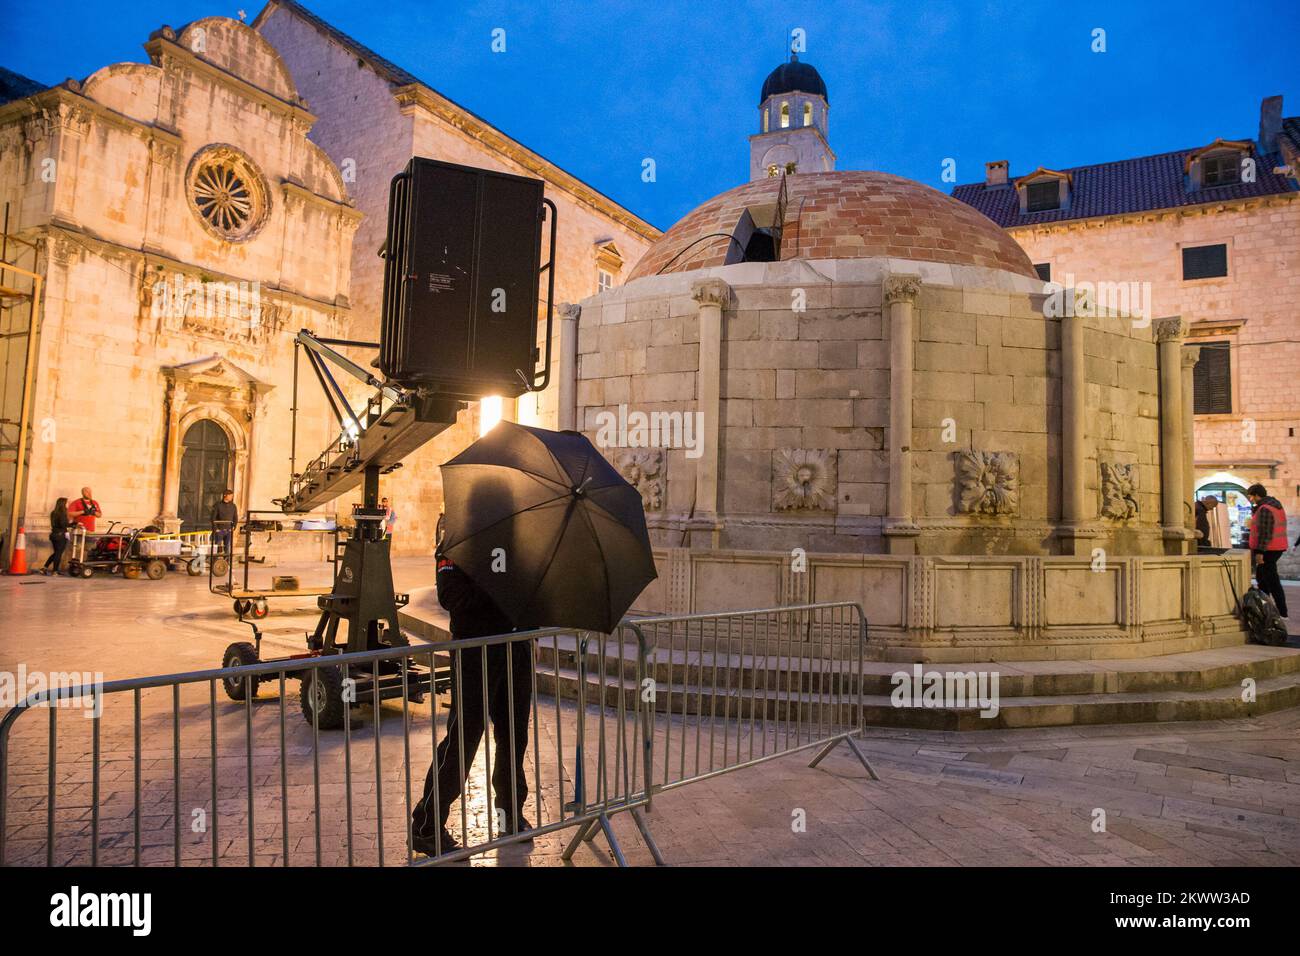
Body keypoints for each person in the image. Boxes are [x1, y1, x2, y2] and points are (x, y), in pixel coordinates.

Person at [411, 548, 534, 857]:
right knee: (464, 737)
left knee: (514, 734)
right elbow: (452, 597)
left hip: (515, 649)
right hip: (474, 651)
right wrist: (499, 586)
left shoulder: (519, 541)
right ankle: (427, 825)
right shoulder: (456, 545)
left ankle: (510, 812)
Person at [1246, 483, 1289, 618]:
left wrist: (1260, 552)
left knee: (1272, 581)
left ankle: (1282, 613)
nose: (1250, 499)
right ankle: (1267, 611)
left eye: (1251, 496)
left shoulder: (1265, 508)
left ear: (1257, 495)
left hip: (1268, 550)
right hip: (1275, 547)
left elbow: (1265, 532)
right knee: (1262, 580)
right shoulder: (1275, 505)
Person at [43, 497, 72, 575]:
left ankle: (44, 568)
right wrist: (74, 524)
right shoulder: (62, 513)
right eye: (67, 502)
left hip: (54, 535)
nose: (69, 504)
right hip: (61, 535)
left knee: (56, 553)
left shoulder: (53, 512)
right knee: (58, 553)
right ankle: (55, 571)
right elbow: (63, 524)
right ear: (63, 504)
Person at [211, 489, 238, 555]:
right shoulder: (218, 505)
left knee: (227, 547)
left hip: (229, 529)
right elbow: (213, 518)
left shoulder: (233, 506)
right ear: (225, 495)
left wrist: (234, 526)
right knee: (218, 547)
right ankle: (216, 561)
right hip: (219, 529)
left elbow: (235, 517)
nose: (231, 497)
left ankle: (226, 562)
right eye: (230, 496)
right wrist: (216, 529)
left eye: (232, 496)